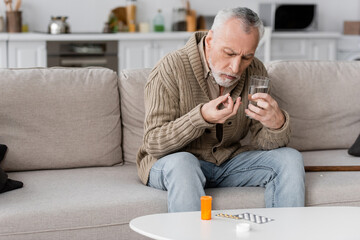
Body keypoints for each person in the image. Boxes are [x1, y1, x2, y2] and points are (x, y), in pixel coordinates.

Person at [137, 7, 305, 212]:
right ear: (209, 41)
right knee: (184, 163)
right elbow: (154, 143)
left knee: (290, 158)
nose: (236, 68)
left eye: (246, 57)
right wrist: (200, 117)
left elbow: (263, 142)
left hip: (227, 163)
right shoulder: (170, 68)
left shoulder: (256, 71)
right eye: (229, 53)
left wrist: (276, 124)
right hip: (175, 164)